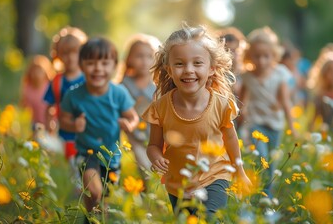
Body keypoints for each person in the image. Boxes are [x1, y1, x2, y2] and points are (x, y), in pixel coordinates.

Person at [143, 24, 252, 220]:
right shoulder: (160, 108)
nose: (188, 70)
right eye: (179, 64)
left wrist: (240, 172)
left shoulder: (220, 104)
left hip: (215, 176)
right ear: (169, 69)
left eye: (197, 63)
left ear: (211, 69)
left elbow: (230, 140)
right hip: (179, 184)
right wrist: (155, 156)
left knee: (209, 218)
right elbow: (153, 145)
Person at [59, 37, 139, 216]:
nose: (98, 68)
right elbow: (62, 119)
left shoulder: (118, 93)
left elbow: (133, 117)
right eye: (91, 63)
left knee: (103, 199)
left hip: (111, 156)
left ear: (114, 66)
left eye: (104, 63)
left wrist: (129, 125)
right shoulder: (73, 95)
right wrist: (73, 125)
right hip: (86, 152)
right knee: (94, 190)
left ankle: (91, 219)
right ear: (81, 65)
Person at [238, 26, 295, 197]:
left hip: (275, 124)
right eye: (257, 56)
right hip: (256, 123)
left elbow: (285, 100)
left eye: (266, 56)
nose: (261, 61)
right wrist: (240, 119)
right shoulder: (247, 77)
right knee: (260, 157)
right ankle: (258, 195)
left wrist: (292, 126)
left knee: (272, 161)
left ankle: (266, 196)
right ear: (249, 56)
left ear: (273, 56)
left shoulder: (279, 74)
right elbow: (242, 102)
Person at [43, 26, 87, 161]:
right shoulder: (57, 81)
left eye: (75, 52)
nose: (71, 57)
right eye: (65, 53)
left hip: (88, 133)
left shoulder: (89, 78)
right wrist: (48, 128)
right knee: (73, 170)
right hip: (65, 134)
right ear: (58, 55)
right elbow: (49, 106)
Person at [120, 33, 160, 179]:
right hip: (134, 136)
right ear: (129, 58)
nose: (144, 61)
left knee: (157, 169)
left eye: (149, 56)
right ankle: (144, 194)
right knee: (145, 168)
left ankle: (151, 196)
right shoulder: (124, 85)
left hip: (155, 137)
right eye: (139, 56)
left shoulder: (157, 86)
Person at [20, 55, 56, 129]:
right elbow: (24, 106)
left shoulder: (49, 86)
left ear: (45, 72)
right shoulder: (27, 88)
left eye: (39, 71)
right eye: (34, 70)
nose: (36, 74)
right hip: (34, 124)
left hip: (50, 123)